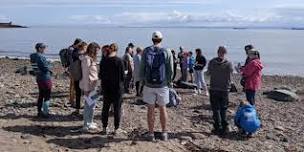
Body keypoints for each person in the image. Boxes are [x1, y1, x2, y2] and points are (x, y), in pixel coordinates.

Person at [140, 31, 173, 141]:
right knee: (163, 108)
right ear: (161, 39)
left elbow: (142, 67)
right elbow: (170, 69)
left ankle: (151, 133)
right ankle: (164, 133)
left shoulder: (146, 51)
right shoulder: (167, 51)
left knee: (150, 109)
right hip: (162, 84)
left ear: (152, 39)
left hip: (149, 84)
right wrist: (168, 81)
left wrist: (142, 81)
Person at [207, 46, 233, 136]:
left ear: (218, 52)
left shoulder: (212, 62)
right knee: (223, 108)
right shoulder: (228, 63)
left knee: (216, 109)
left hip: (214, 88)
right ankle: (224, 126)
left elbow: (208, 73)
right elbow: (231, 74)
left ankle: (218, 127)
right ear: (225, 53)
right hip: (224, 89)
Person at [100, 43, 125, 135]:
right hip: (117, 88)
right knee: (117, 109)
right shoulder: (119, 61)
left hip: (106, 87)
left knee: (105, 108)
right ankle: (116, 128)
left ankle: (104, 127)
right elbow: (122, 76)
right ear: (116, 50)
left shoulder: (104, 61)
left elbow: (100, 75)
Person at [79, 42, 100, 131]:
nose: (98, 53)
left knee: (92, 105)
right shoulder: (87, 59)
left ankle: (90, 121)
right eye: (97, 51)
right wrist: (86, 89)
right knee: (89, 105)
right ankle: (86, 124)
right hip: (89, 86)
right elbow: (86, 74)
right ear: (93, 50)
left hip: (93, 85)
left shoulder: (90, 59)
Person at [30, 43, 52, 118]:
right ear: (39, 48)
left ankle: (39, 111)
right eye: (44, 48)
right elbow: (46, 68)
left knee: (41, 95)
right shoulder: (41, 56)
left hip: (38, 77)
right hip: (45, 78)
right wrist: (49, 65)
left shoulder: (32, 56)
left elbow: (37, 67)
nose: (45, 49)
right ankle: (45, 113)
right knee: (47, 96)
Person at [70, 41, 87, 115]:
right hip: (81, 77)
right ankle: (85, 108)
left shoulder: (74, 53)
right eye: (85, 47)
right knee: (85, 92)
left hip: (76, 76)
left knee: (78, 93)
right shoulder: (81, 55)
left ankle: (77, 109)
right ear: (83, 47)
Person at [67, 38, 83, 107]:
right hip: (73, 70)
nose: (81, 45)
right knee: (73, 86)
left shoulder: (71, 48)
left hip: (72, 69)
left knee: (73, 86)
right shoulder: (72, 50)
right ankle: (72, 101)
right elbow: (73, 59)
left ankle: (72, 100)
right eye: (80, 44)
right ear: (78, 43)